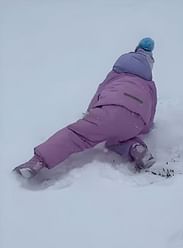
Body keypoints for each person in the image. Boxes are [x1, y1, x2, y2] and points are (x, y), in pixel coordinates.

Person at [14, 37, 158, 179]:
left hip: (107, 112)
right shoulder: (149, 85)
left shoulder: (116, 74)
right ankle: (136, 149)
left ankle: (37, 162)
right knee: (120, 138)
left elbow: (99, 94)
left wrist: (91, 113)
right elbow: (151, 110)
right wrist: (144, 128)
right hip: (136, 122)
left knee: (75, 136)